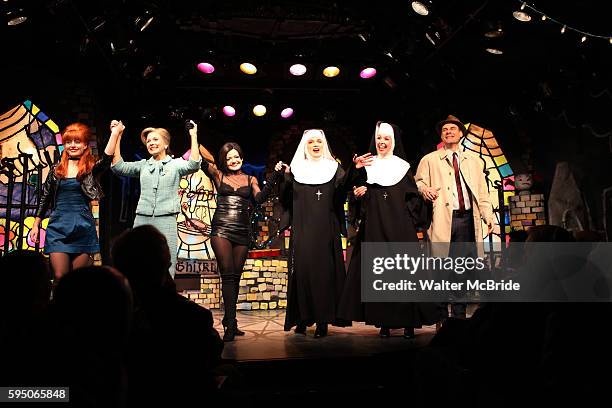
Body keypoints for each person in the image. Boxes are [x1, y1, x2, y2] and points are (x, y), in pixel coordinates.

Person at [339, 121, 438, 338]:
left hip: (400, 228)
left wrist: (426, 200)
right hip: (374, 226)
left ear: (393, 142)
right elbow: (348, 190)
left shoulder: (402, 167)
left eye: (386, 139)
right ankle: (384, 322)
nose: (382, 142)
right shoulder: (366, 165)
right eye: (379, 139)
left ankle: (409, 323)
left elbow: (413, 199)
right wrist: (358, 192)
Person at [280, 129, 363, 338]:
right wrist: (284, 176)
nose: (315, 145)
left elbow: (344, 188)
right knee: (302, 273)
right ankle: (302, 318)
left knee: (324, 275)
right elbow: (285, 198)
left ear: (324, 145)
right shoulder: (296, 169)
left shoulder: (333, 168)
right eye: (311, 142)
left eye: (319, 141)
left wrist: (354, 167)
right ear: (305, 146)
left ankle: (322, 320)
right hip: (303, 229)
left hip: (326, 229)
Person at [201, 142, 283, 342]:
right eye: (229, 158)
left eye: (236, 156)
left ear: (242, 158)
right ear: (224, 161)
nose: (233, 160)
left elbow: (261, 198)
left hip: (242, 232)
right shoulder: (218, 175)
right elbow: (202, 157)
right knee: (228, 275)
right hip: (221, 229)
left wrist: (275, 175)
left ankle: (232, 322)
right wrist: (194, 136)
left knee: (235, 277)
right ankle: (229, 324)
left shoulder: (251, 178)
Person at [414, 115, 493, 319]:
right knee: (441, 266)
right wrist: (425, 189)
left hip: (467, 219)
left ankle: (459, 314)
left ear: (460, 134)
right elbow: (418, 183)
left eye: (452, 129)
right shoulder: (430, 159)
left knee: (463, 267)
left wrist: (487, 215)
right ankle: (441, 314)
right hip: (444, 219)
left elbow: (482, 192)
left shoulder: (473, 161)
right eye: (445, 130)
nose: (448, 131)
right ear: (441, 135)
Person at [111, 120, 201, 278]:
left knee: (166, 263)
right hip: (142, 219)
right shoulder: (143, 165)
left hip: (166, 219)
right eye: (148, 141)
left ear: (166, 144)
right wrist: (117, 135)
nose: (151, 143)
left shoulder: (176, 164)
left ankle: (164, 298)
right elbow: (119, 166)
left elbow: (194, 164)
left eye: (155, 139)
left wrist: (193, 136)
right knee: (138, 261)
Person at [31, 122, 120, 280]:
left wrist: (115, 133)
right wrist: (36, 224)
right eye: (68, 142)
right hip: (58, 228)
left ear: (85, 145)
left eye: (77, 141)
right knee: (60, 275)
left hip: (82, 228)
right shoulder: (56, 171)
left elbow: (106, 160)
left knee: (76, 280)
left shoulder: (90, 169)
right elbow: (45, 198)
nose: (72, 145)